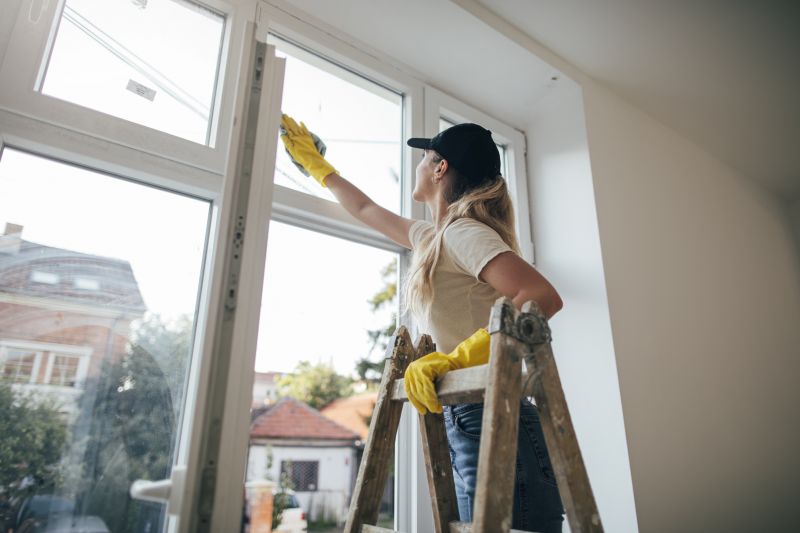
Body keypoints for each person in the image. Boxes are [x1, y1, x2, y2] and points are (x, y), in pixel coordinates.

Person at [280, 114, 565, 532]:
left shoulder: (463, 233)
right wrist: (318, 167)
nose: (418, 165)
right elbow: (365, 209)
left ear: (439, 167)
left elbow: (542, 298)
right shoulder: (433, 238)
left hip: (494, 415)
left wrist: (457, 359)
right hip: (470, 413)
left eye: (423, 156)